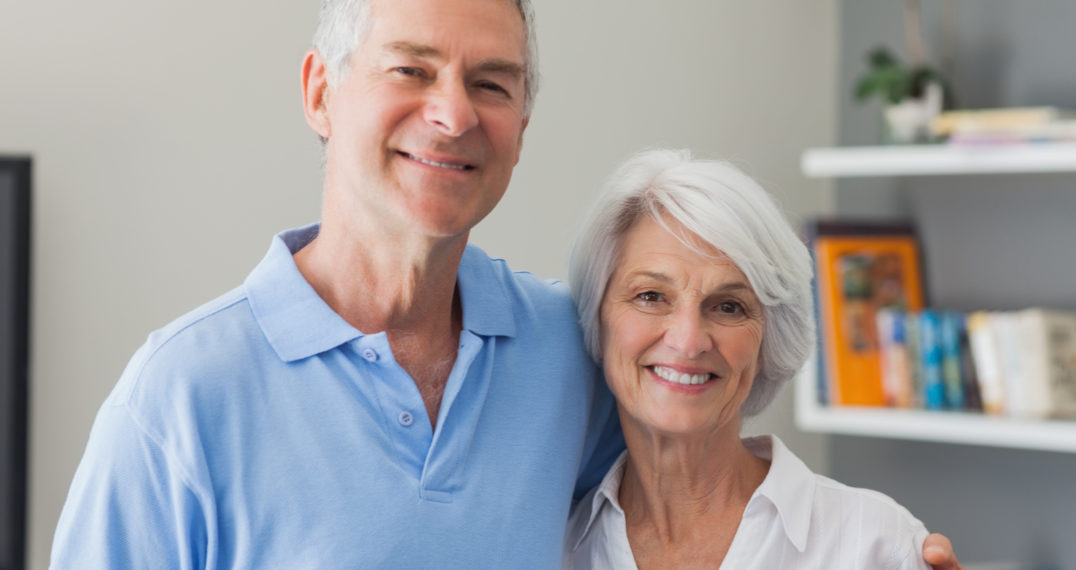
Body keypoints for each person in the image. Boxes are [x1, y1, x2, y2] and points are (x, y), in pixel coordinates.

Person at [50, 0, 962, 567]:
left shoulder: (572, 349)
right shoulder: (178, 396)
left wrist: (881, 546)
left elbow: (699, 481)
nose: (451, 114)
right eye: (411, 68)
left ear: (523, 120)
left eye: (492, 82)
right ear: (322, 92)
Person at [564, 149, 937, 568]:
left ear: (768, 341)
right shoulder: (555, 549)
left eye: (728, 307)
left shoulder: (874, 543)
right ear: (598, 319)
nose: (689, 341)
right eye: (651, 296)